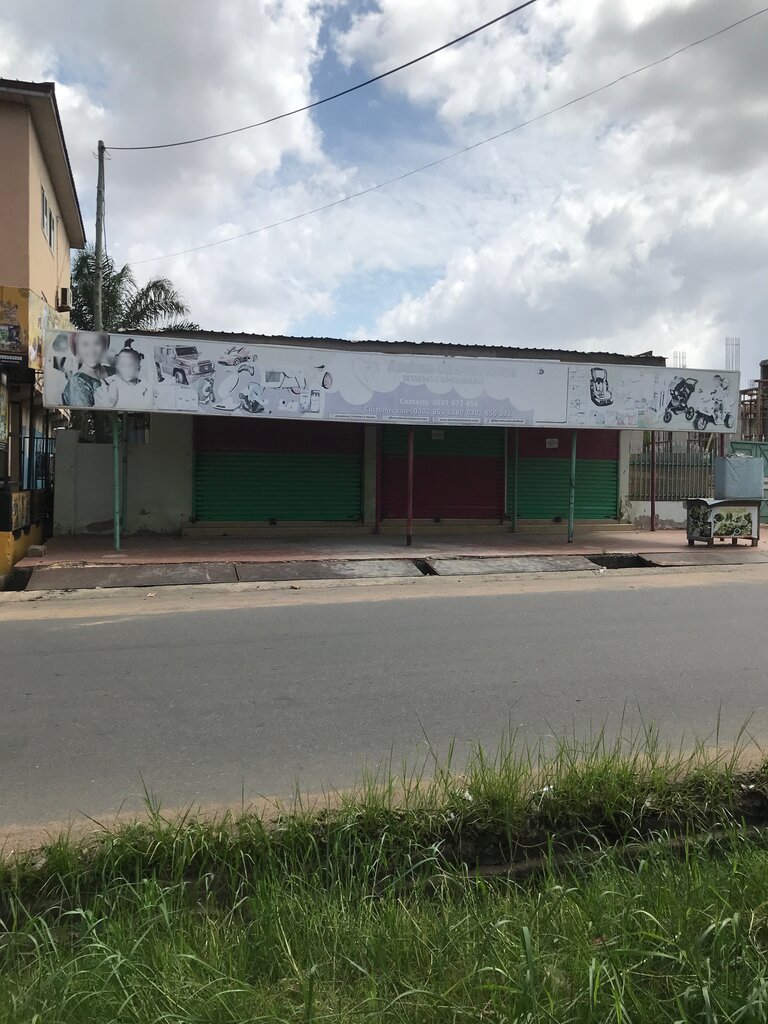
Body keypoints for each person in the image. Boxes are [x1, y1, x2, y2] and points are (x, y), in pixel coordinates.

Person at [61, 331, 112, 407]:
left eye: (97, 343)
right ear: (76, 348)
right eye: (85, 344)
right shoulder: (77, 383)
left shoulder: (116, 372)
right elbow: (85, 415)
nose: (91, 350)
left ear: (105, 346)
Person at [100, 340, 153, 409]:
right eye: (122, 365)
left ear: (138, 368)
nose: (126, 369)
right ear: (118, 366)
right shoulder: (116, 383)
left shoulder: (144, 385)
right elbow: (110, 403)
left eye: (130, 365)